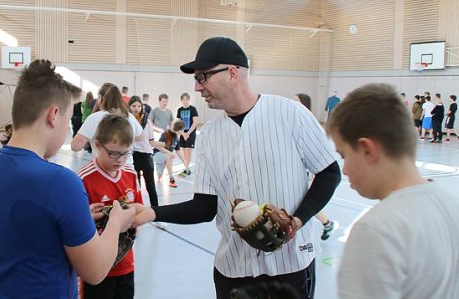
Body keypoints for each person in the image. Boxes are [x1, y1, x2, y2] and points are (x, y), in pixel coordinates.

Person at [133, 37, 341, 299]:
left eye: (203, 77)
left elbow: (329, 173)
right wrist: (152, 213)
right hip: (233, 272)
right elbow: (205, 206)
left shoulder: (291, 114)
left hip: (290, 268)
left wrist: (298, 220)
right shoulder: (210, 136)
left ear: (232, 73)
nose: (197, 87)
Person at [0, 60, 135, 298]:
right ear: (53, 116)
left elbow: (23, 231)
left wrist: (77, 218)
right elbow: (95, 271)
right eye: (68, 121)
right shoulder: (61, 183)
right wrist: (116, 222)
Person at [328, 83, 459, 299]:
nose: (345, 170)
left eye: (344, 156)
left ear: (367, 150)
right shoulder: (451, 204)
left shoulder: (376, 229)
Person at [77, 114, 144, 299]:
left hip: (125, 265)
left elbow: (139, 210)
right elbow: (75, 227)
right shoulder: (83, 179)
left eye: (125, 153)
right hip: (96, 269)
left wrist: (136, 223)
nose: (120, 160)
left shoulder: (130, 174)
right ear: (97, 145)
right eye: (113, 153)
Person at [294, 93, 339, 241]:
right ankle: (327, 223)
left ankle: (327, 223)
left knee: (305, 202)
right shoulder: (292, 120)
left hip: (305, 170)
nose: (292, 102)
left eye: (296, 100)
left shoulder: (309, 122)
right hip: (296, 169)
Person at [71, 85, 143, 165]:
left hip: (102, 168)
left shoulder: (94, 118)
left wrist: (89, 141)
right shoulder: (129, 116)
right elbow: (141, 137)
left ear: (101, 98)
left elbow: (75, 146)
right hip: (126, 167)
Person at [129, 96, 161, 207]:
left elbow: (151, 141)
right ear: (129, 107)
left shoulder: (147, 121)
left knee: (151, 187)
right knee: (135, 188)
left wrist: (165, 148)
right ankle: (137, 211)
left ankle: (156, 213)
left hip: (146, 156)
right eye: (134, 106)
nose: (136, 108)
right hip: (133, 156)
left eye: (139, 106)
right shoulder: (127, 121)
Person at [154, 120, 185, 188]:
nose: (183, 132)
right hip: (158, 154)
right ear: (179, 130)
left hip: (165, 157)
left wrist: (184, 161)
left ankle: (161, 171)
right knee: (169, 156)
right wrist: (169, 153)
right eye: (183, 130)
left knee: (159, 177)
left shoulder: (176, 137)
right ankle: (171, 178)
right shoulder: (167, 133)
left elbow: (178, 150)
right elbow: (158, 146)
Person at [176, 92, 199, 177]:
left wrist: (188, 133)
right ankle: (187, 168)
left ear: (189, 100)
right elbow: (178, 123)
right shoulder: (179, 110)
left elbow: (196, 122)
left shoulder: (193, 109)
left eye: (187, 99)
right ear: (181, 100)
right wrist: (183, 133)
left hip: (190, 133)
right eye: (184, 99)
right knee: (184, 151)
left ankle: (187, 169)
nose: (185, 101)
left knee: (188, 151)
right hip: (183, 133)